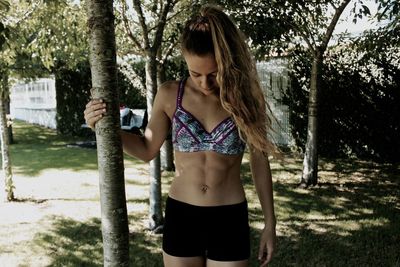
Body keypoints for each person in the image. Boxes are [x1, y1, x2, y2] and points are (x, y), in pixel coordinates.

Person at [84, 5, 277, 267]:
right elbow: (146, 149)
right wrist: (103, 129)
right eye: (196, 74)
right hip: (182, 215)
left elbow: (259, 160)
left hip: (229, 217)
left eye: (214, 73)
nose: (205, 83)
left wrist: (269, 223)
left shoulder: (246, 98)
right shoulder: (169, 94)